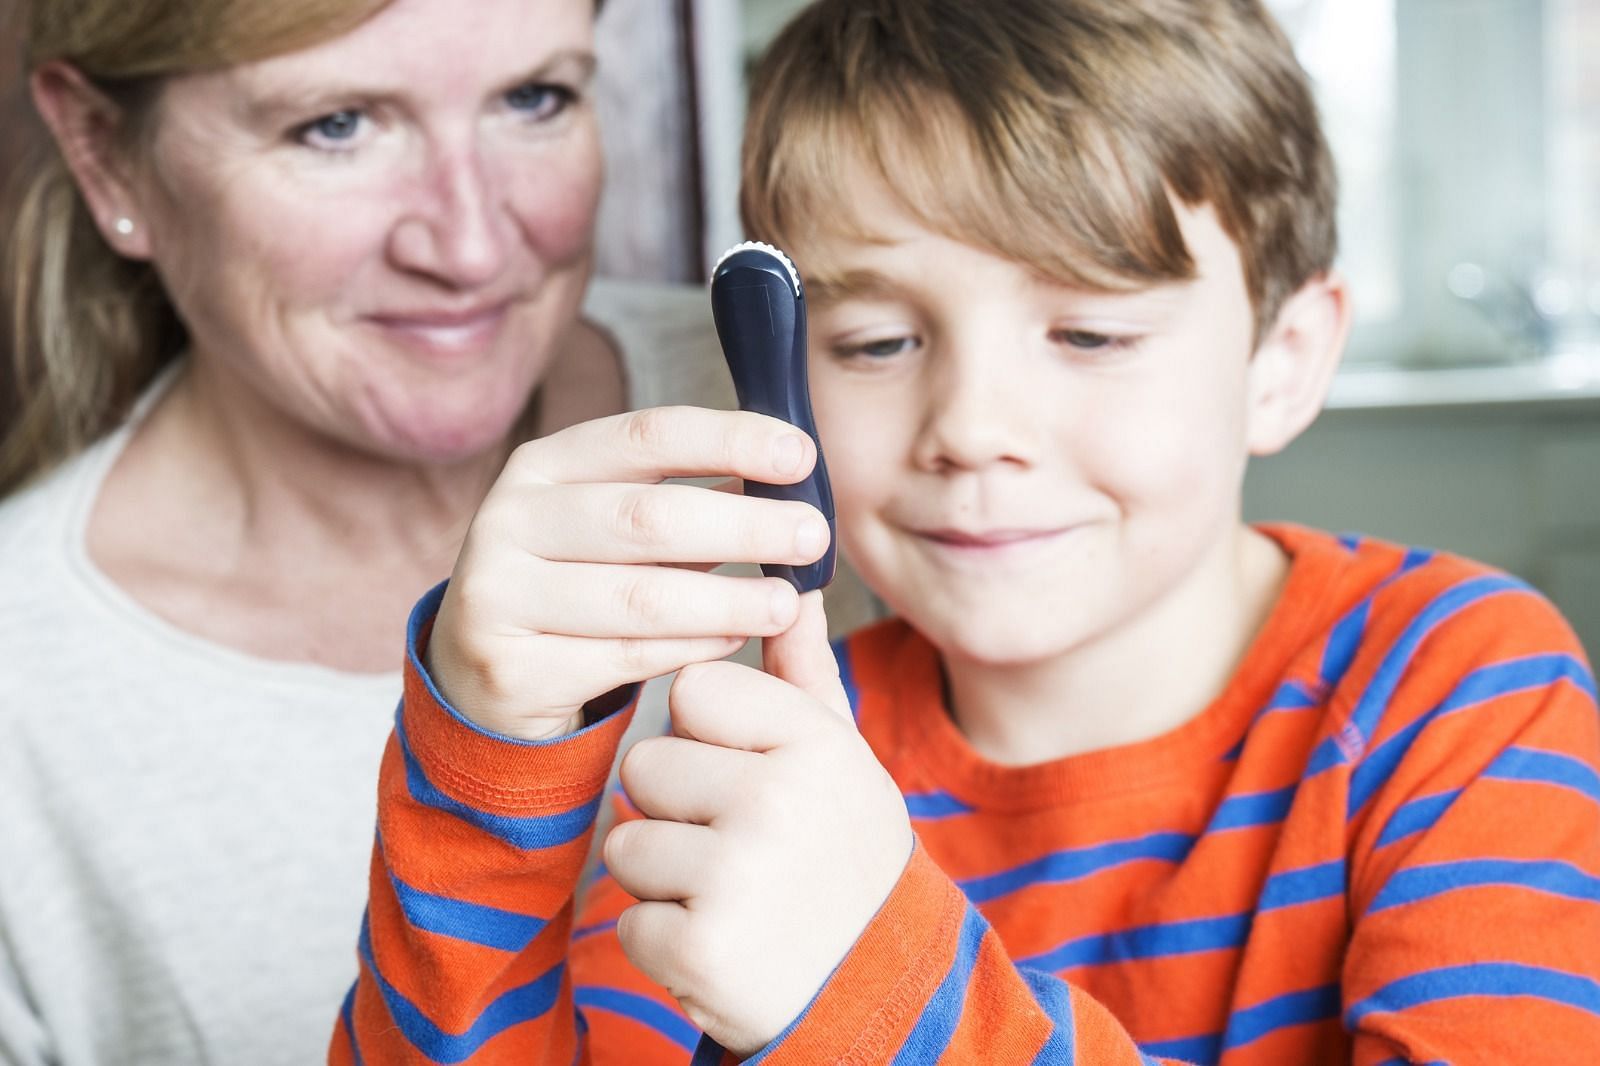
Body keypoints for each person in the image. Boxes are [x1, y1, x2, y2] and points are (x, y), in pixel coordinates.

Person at [337, 0, 1600, 1062]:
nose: (971, 426)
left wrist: (874, 975)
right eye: (876, 341)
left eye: (1090, 333)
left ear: (1283, 357)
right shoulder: (753, 765)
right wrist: (482, 773)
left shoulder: (1459, 693)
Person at [0, 0, 635, 1061]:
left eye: (535, 98)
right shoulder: (28, 709)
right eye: (335, 124)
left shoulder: (863, 414)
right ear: (106, 156)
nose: (469, 245)